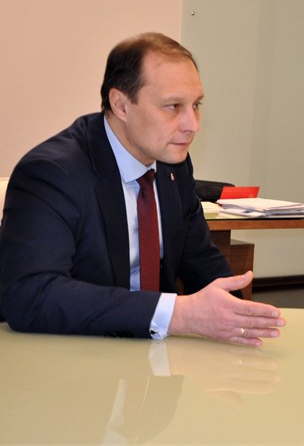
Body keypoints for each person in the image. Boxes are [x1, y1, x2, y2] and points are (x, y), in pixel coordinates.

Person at [0, 32, 285, 346]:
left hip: (153, 360)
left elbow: (202, 261)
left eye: (196, 105)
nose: (193, 124)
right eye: (173, 106)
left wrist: (243, 320)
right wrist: (179, 314)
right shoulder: (53, 174)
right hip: (70, 355)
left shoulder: (173, 165)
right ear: (121, 105)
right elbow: (29, 295)